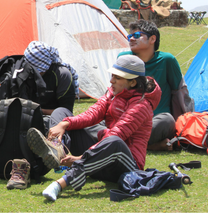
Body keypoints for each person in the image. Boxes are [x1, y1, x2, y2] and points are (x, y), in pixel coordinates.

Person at [26, 55, 161, 201]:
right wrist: (65, 124)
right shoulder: (113, 94)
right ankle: (56, 149)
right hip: (100, 161)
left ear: (133, 82)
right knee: (61, 113)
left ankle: (61, 183)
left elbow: (117, 134)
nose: (111, 80)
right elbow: (92, 114)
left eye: (117, 77)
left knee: (114, 141)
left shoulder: (142, 106)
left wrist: (80, 158)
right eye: (112, 75)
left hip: (126, 166)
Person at [118, 19, 194, 151]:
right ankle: (151, 146)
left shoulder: (166, 60)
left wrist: (183, 124)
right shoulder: (124, 59)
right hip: (126, 120)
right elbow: (116, 91)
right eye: (129, 36)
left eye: (136, 36)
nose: (131, 39)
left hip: (155, 121)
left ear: (152, 39)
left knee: (167, 120)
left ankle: (114, 142)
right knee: (91, 125)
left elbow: (179, 92)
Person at [23, 41, 79, 114]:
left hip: (54, 119)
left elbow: (66, 112)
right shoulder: (23, 73)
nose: (32, 73)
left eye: (36, 70)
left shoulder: (62, 75)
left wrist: (37, 111)